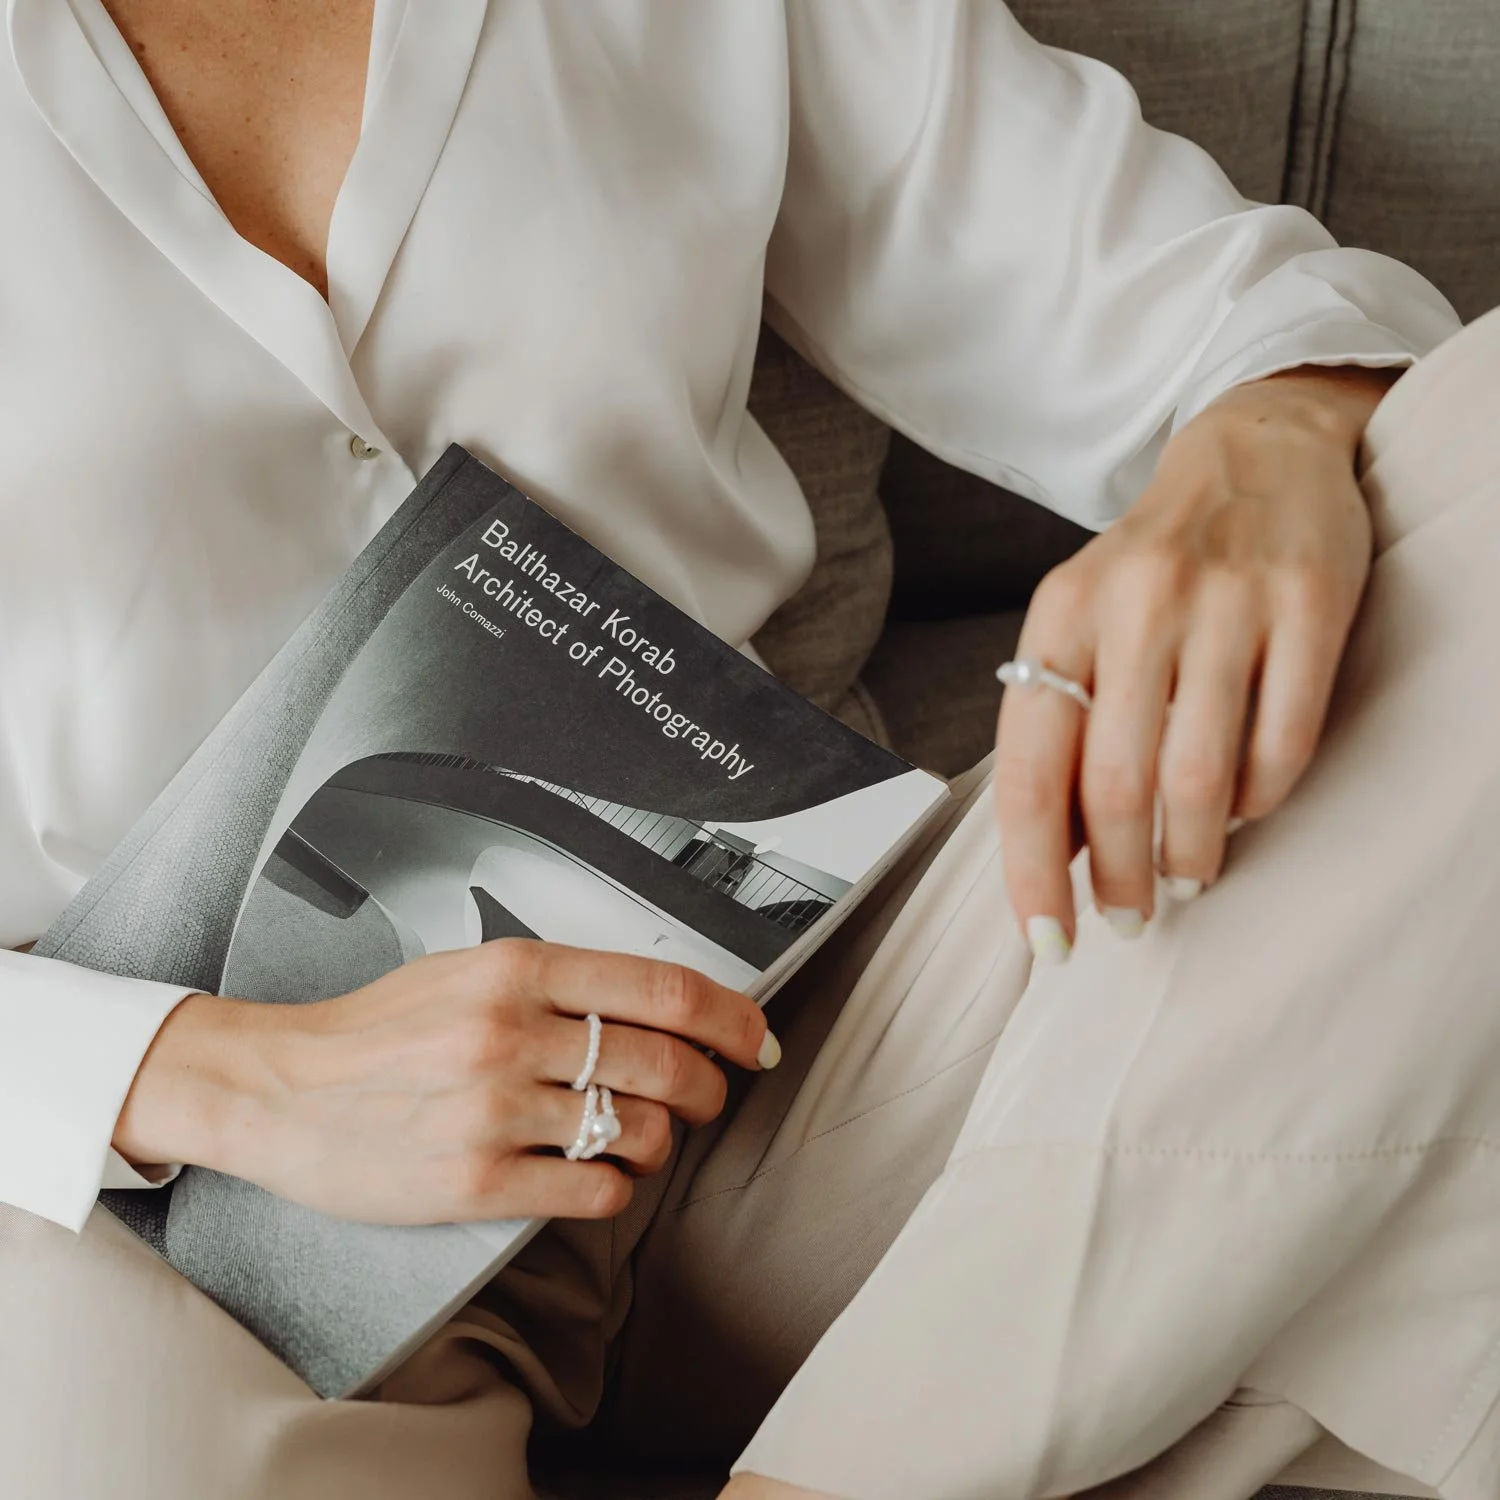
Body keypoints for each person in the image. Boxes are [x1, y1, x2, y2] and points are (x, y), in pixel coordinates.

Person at [0, 1, 1483, 1496]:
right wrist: (211, 1076)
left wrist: (1268, 434)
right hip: (172, 1173)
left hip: (786, 1059)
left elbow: (1221, 309)